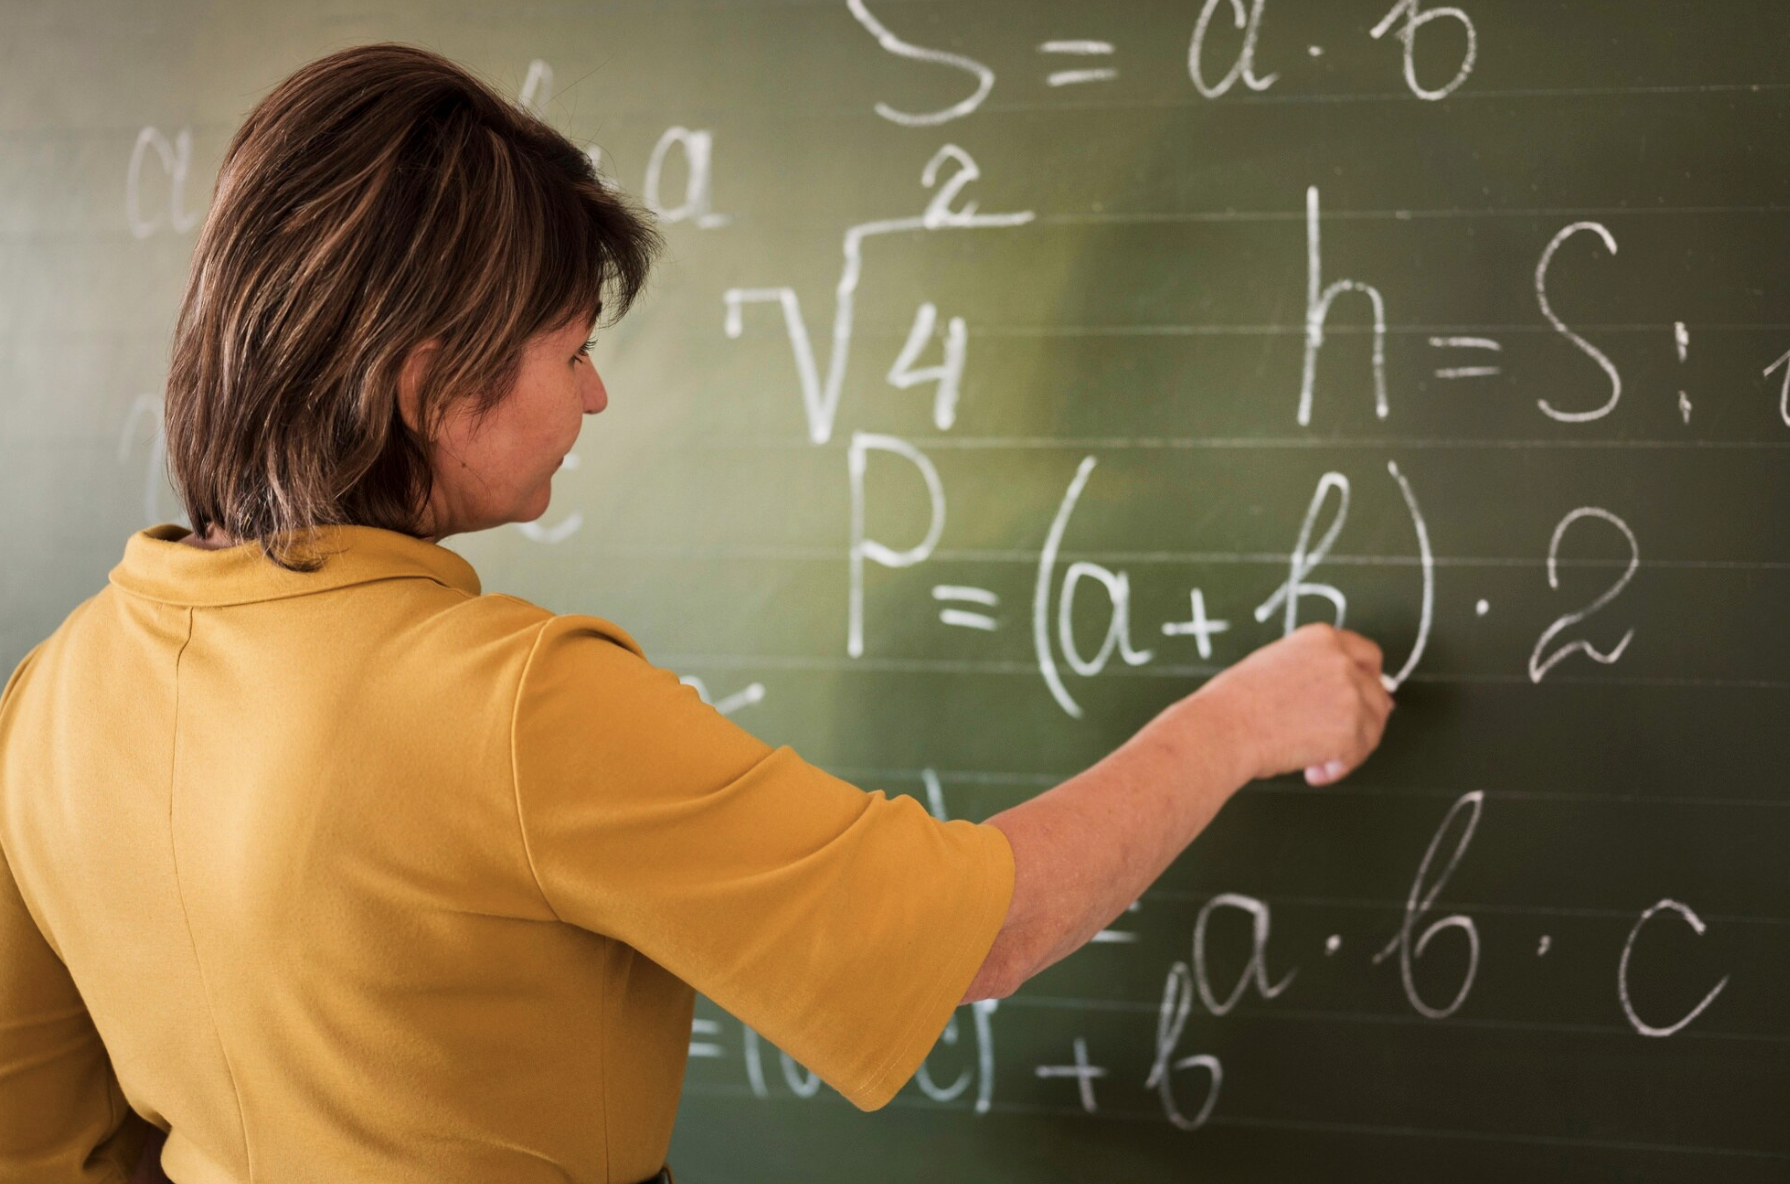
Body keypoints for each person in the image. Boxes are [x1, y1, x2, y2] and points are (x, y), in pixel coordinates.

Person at [0, 43, 1392, 1184]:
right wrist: (1240, 718)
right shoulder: (510, 702)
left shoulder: (50, 693)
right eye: (571, 349)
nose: (593, 397)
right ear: (427, 383)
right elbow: (974, 937)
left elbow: (37, 1131)